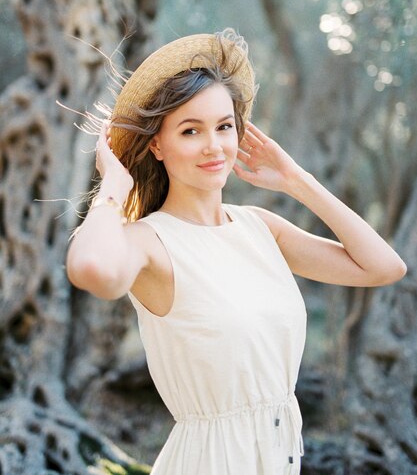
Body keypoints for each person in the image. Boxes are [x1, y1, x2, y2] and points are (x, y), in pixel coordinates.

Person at [66, 28, 407, 475]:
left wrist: (295, 179)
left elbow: (385, 267)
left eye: (224, 126)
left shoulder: (259, 227)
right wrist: (113, 185)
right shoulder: (150, 241)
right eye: (191, 131)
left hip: (279, 457)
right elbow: (93, 269)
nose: (214, 146)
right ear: (157, 145)